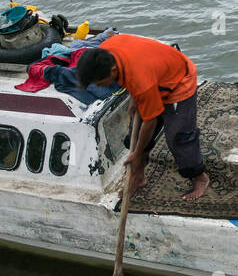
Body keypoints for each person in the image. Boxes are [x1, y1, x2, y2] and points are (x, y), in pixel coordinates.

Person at [76, 35, 210, 200]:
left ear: (112, 71)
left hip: (177, 81)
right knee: (135, 131)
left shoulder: (141, 82)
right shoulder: (107, 48)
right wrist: (134, 97)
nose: (98, 86)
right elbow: (132, 66)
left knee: (178, 136)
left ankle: (200, 177)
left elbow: (150, 120)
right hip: (153, 76)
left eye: (100, 82)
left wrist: (137, 153)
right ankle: (138, 177)